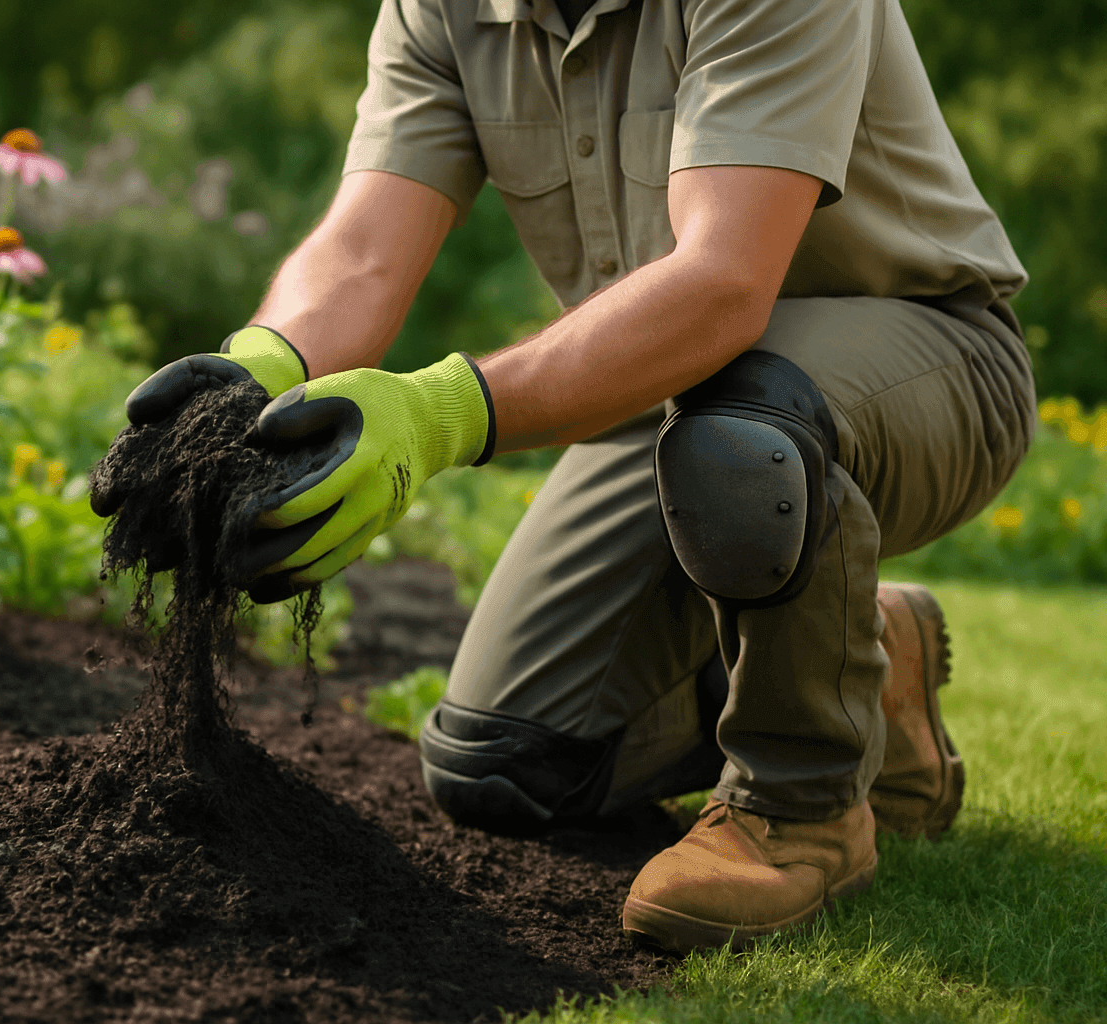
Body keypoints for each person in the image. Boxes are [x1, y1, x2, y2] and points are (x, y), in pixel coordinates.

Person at [108, 0, 1035, 953]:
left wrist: (438, 414)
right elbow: (362, 252)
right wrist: (259, 370)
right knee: (504, 763)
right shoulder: (443, 12)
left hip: (928, 355)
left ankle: (797, 809)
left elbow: (721, 281)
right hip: (673, 388)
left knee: (744, 438)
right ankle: (869, 659)